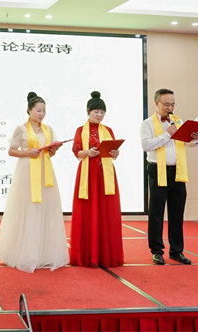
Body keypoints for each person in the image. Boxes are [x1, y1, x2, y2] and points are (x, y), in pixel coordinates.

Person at [0, 92, 69, 272]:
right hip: (27, 171)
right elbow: (11, 151)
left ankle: (44, 253)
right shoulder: (21, 129)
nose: (41, 114)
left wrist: (54, 149)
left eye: (44, 111)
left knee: (45, 209)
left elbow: (49, 153)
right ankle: (27, 253)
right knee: (28, 208)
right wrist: (28, 152)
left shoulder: (48, 129)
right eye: (38, 110)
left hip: (45, 171)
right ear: (29, 110)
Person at [140, 88, 198, 265]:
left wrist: (196, 138)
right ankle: (157, 251)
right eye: (166, 104)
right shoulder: (147, 123)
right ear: (156, 103)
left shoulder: (178, 121)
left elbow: (187, 143)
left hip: (178, 171)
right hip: (157, 170)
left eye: (173, 104)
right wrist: (167, 134)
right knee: (156, 213)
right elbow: (146, 145)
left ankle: (177, 250)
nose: (170, 108)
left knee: (177, 213)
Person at [70, 91, 123, 268]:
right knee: (87, 210)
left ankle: (106, 254)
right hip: (88, 173)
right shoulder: (80, 130)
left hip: (105, 174)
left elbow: (113, 152)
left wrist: (115, 152)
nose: (99, 115)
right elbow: (76, 152)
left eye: (102, 112)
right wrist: (88, 152)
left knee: (106, 211)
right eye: (96, 112)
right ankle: (87, 255)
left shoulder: (108, 130)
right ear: (88, 111)